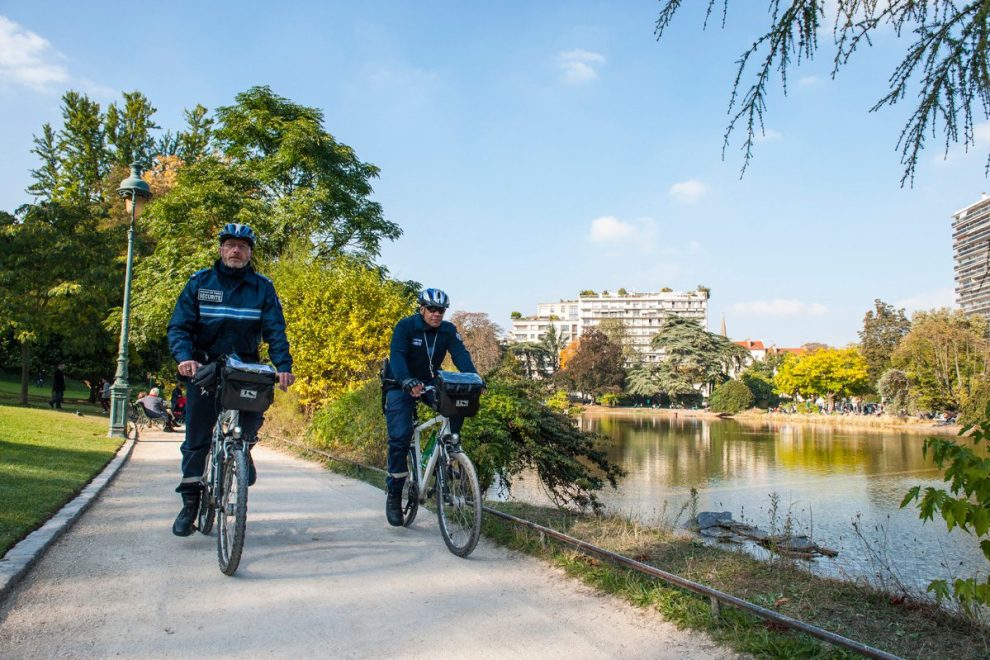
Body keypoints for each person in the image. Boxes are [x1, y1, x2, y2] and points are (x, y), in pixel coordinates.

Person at [166, 223, 295, 537]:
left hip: (244, 367)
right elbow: (179, 327)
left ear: (250, 252)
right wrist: (185, 357)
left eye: (242, 246)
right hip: (204, 367)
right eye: (230, 245)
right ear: (221, 249)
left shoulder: (262, 287)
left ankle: (243, 448)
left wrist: (282, 365)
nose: (236, 250)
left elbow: (275, 330)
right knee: (196, 440)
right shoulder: (200, 282)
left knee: (253, 411)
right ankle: (190, 504)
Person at [381, 288, 477, 526]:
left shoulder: (448, 330)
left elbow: (461, 356)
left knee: (457, 401)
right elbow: (398, 357)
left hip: (428, 382)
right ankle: (394, 493)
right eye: (432, 309)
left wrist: (474, 378)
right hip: (399, 383)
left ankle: (448, 450)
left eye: (441, 311)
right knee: (400, 436)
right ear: (421, 309)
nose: (436, 314)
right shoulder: (405, 327)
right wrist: (406, 380)